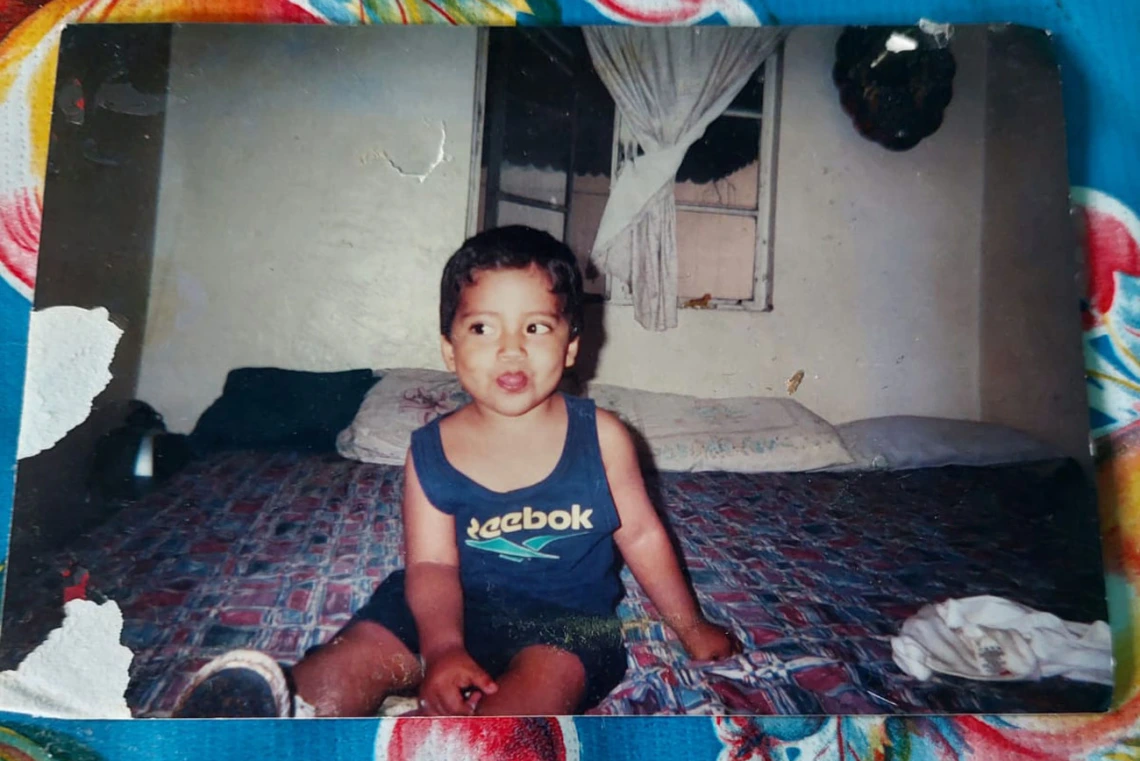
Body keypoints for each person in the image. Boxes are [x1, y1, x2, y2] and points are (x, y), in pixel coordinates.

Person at [174, 226, 738, 718]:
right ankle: (278, 721)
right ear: (449, 350)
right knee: (356, 655)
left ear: (570, 346)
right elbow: (430, 564)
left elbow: (640, 534)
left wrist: (690, 627)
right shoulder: (429, 451)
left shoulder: (604, 437)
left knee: (534, 699)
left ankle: (464, 741)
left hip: (565, 625)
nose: (511, 349)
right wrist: (442, 648)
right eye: (482, 329)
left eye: (536, 328)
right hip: (446, 608)